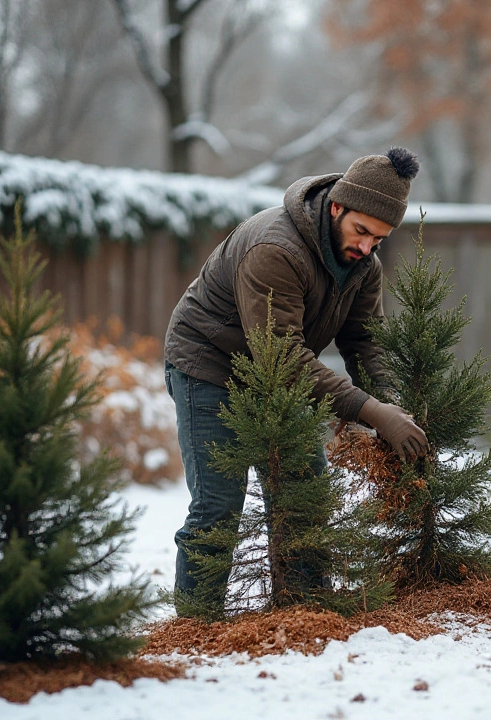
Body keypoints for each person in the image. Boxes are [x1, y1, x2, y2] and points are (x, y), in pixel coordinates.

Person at [163, 148, 429, 616]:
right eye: (361, 231)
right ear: (336, 207)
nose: (366, 247)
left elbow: (366, 344)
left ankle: (305, 612)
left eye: (379, 239)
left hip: (277, 370)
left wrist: (393, 406)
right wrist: (370, 411)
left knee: (304, 491)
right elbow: (281, 356)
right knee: (217, 503)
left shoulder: (364, 267)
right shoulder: (275, 249)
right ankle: (195, 626)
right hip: (209, 366)